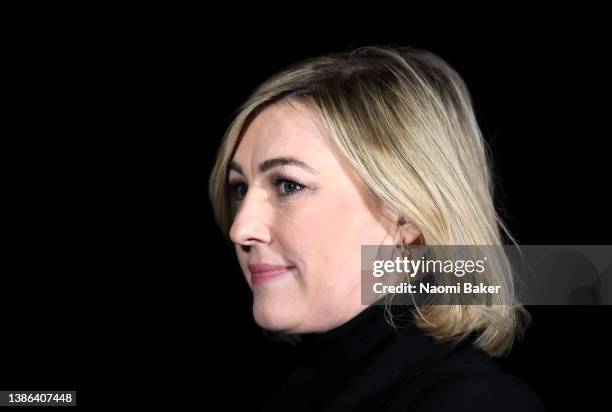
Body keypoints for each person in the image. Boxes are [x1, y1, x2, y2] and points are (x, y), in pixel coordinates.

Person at [208, 45, 545, 411]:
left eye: (289, 185)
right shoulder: (300, 392)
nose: (240, 229)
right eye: (240, 188)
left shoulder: (474, 403)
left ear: (408, 211)